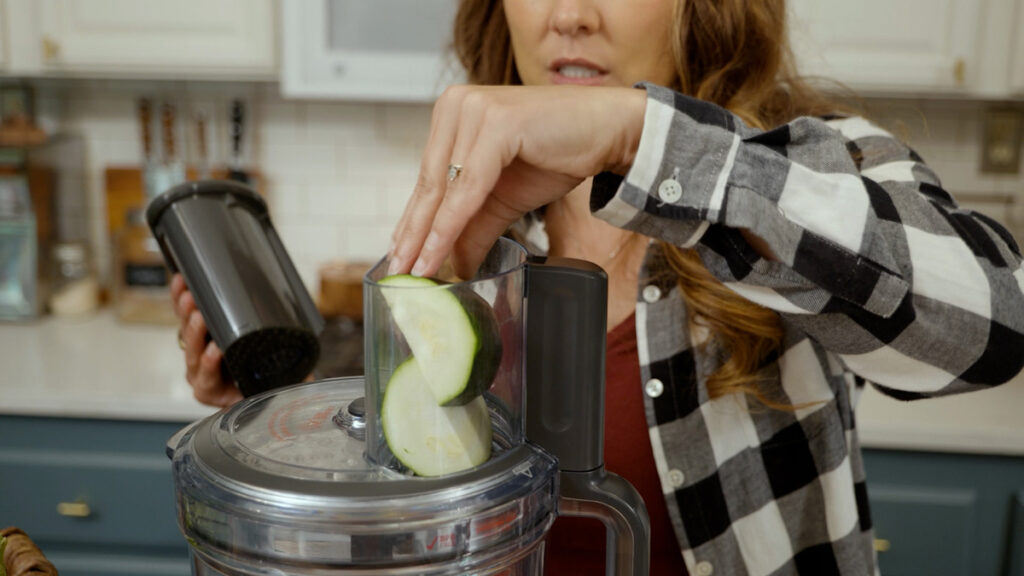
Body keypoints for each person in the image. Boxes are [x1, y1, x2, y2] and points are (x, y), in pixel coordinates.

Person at [174, 0, 1024, 574]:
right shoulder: (476, 232)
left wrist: (637, 134)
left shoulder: (805, 176)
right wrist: (292, 419)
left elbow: (994, 323)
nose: (569, 14)